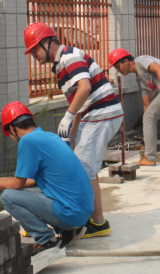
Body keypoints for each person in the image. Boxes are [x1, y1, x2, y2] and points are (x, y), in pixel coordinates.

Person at [24, 22, 122, 238]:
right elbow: (79, 104)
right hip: (94, 114)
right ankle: (89, 216)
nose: (34, 56)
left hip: (102, 112)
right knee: (81, 165)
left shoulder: (70, 56)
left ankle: (98, 223)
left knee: (85, 168)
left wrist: (68, 116)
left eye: (34, 50)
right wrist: (67, 135)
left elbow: (85, 88)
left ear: (47, 43)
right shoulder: (59, 67)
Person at [0, 101, 94, 253]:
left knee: (8, 197)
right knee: (32, 191)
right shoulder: (50, 136)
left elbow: (17, 184)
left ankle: (47, 240)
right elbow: (33, 181)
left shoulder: (27, 141)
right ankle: (68, 231)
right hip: (83, 211)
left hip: (71, 213)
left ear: (11, 128)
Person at [109, 49, 160, 166]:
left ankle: (150, 158)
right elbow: (147, 105)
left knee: (149, 118)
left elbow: (159, 69)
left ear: (126, 61)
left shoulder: (140, 60)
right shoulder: (142, 80)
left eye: (118, 67)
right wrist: (147, 128)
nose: (118, 70)